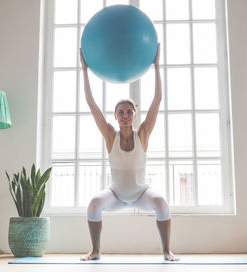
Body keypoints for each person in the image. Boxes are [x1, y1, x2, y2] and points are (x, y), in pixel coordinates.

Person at [79, 45, 178, 261]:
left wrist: (157, 66)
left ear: (134, 116)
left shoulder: (142, 134)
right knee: (94, 204)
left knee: (161, 203)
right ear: (115, 116)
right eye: (121, 112)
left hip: (141, 194)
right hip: (116, 195)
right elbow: (90, 103)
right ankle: (95, 251)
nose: (125, 115)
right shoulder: (109, 135)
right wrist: (84, 70)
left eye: (129, 112)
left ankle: (166, 251)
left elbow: (157, 100)